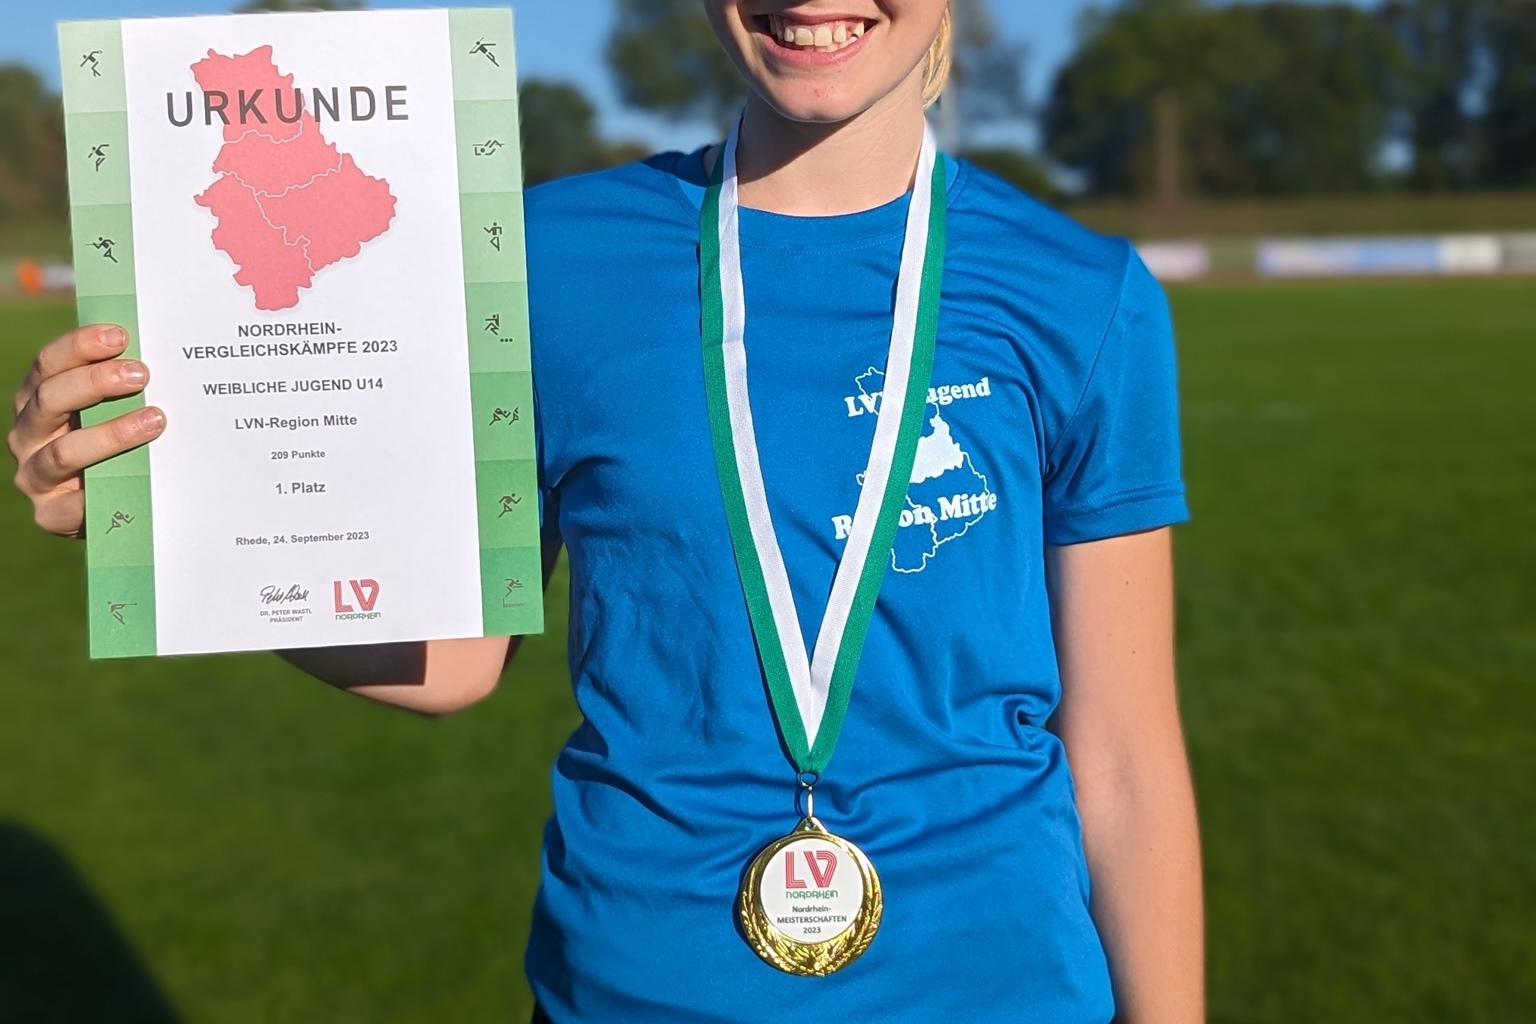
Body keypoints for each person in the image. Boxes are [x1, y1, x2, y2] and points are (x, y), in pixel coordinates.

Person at [7, 2, 1203, 1021]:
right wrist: (169, 524)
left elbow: (1125, 757)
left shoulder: (1083, 295)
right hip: (637, 985)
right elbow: (456, 656)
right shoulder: (540, 260)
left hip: (991, 988)